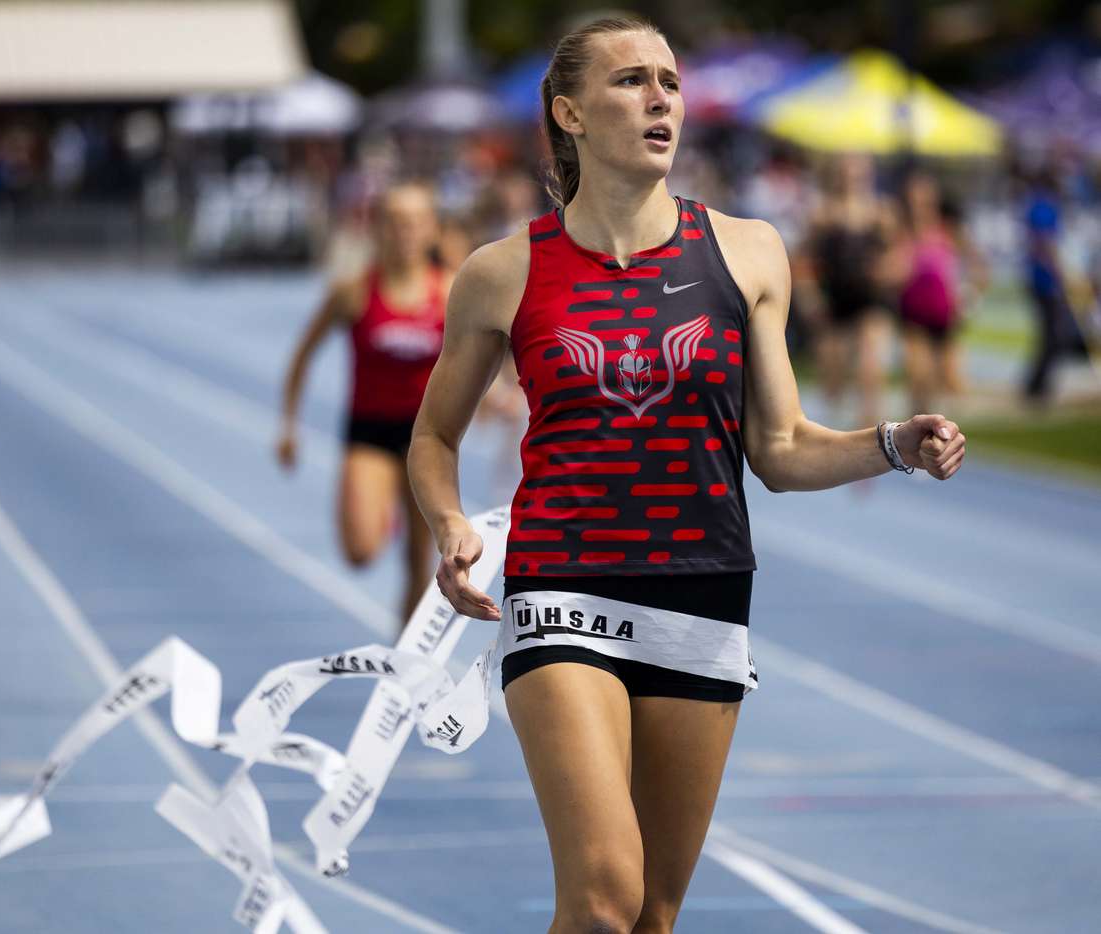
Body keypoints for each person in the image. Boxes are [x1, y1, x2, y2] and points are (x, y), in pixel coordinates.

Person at [407, 17, 966, 934]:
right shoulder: (503, 272)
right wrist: (449, 521)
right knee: (601, 899)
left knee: (654, 916)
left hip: (701, 595)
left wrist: (895, 441)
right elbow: (433, 436)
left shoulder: (747, 253)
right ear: (570, 112)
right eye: (631, 81)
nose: (660, 96)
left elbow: (779, 450)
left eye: (669, 79)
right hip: (562, 586)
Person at [278, 181, 450, 624]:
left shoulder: (451, 292)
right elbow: (302, 356)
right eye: (393, 223)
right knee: (359, 551)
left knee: (420, 563)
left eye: (414, 223)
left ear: (432, 230)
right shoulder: (353, 291)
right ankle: (383, 509)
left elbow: (492, 354)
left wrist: (498, 395)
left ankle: (408, 667)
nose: (404, 233)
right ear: (376, 229)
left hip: (427, 438)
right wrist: (288, 426)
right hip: (369, 430)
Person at [801, 152, 900, 428]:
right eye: (847, 172)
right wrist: (809, 297)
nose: (852, 178)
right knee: (833, 381)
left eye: (858, 173)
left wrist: (885, 271)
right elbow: (804, 261)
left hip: (870, 299)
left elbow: (897, 255)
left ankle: (872, 434)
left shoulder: (880, 212)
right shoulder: (823, 215)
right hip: (835, 300)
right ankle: (833, 432)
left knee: (871, 366)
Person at [895, 170, 988, 415]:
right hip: (913, 313)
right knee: (918, 375)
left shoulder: (948, 231)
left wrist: (970, 296)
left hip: (945, 313)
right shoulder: (900, 232)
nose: (919, 205)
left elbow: (979, 266)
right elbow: (890, 271)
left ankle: (942, 428)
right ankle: (915, 426)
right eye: (914, 199)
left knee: (952, 380)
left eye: (925, 199)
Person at [1022, 165, 1089, 401]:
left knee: (1051, 334)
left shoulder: (1038, 204)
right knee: (1053, 334)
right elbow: (1044, 243)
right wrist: (1060, 273)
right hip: (1045, 280)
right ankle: (1036, 386)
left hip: (1041, 278)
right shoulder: (1044, 206)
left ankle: (1038, 384)